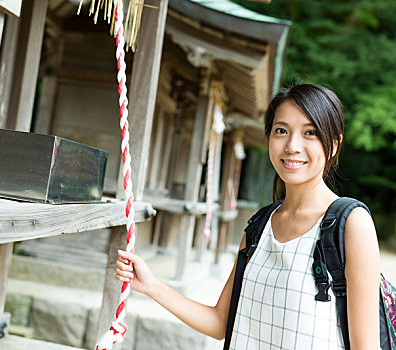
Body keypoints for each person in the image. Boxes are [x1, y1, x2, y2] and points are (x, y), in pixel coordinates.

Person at [115, 84, 381, 349]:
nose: (292, 146)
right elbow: (220, 322)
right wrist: (151, 285)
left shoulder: (350, 224)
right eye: (281, 131)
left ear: (333, 145)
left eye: (310, 132)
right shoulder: (259, 226)